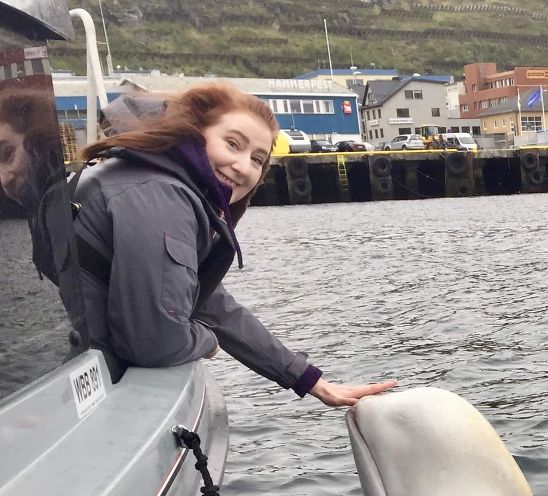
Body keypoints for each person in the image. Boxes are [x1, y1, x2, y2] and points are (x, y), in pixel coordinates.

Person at [74, 82, 395, 405]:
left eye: (257, 159)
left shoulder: (158, 182)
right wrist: (205, 340)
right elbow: (156, 342)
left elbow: (209, 300)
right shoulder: (160, 198)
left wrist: (309, 379)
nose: (242, 166)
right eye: (232, 144)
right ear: (193, 132)